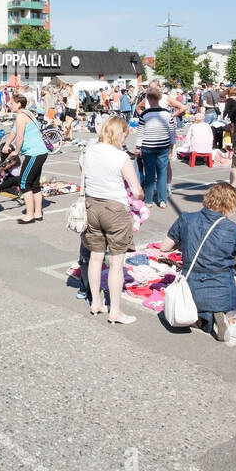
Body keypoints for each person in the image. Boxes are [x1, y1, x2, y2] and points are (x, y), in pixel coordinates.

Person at [159, 182, 236, 340]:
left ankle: (202, 318)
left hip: (190, 288)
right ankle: (218, 316)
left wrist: (185, 242)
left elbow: (165, 247)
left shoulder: (186, 219)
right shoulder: (234, 229)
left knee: (197, 307)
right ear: (232, 204)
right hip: (222, 289)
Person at [81, 116, 145, 324]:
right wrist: (141, 195)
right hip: (115, 209)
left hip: (92, 206)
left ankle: (96, 302)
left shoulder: (89, 150)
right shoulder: (120, 157)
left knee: (96, 257)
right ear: (120, 134)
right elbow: (136, 191)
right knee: (116, 262)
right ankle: (115, 311)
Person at [3, 93, 49, 223]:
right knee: (34, 183)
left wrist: (15, 152)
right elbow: (14, 132)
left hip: (34, 153)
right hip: (40, 152)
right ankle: (38, 213)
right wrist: (7, 144)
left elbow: (20, 137)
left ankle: (29, 215)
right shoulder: (27, 113)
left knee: (24, 183)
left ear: (18, 104)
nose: (9, 105)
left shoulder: (21, 117)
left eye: (11, 103)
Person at [135, 86, 178, 209]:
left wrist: (138, 147)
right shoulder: (167, 113)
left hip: (148, 146)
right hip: (163, 146)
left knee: (149, 173)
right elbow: (172, 131)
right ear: (159, 98)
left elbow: (140, 132)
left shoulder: (144, 114)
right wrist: (171, 147)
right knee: (162, 173)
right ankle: (162, 200)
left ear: (147, 98)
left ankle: (148, 200)